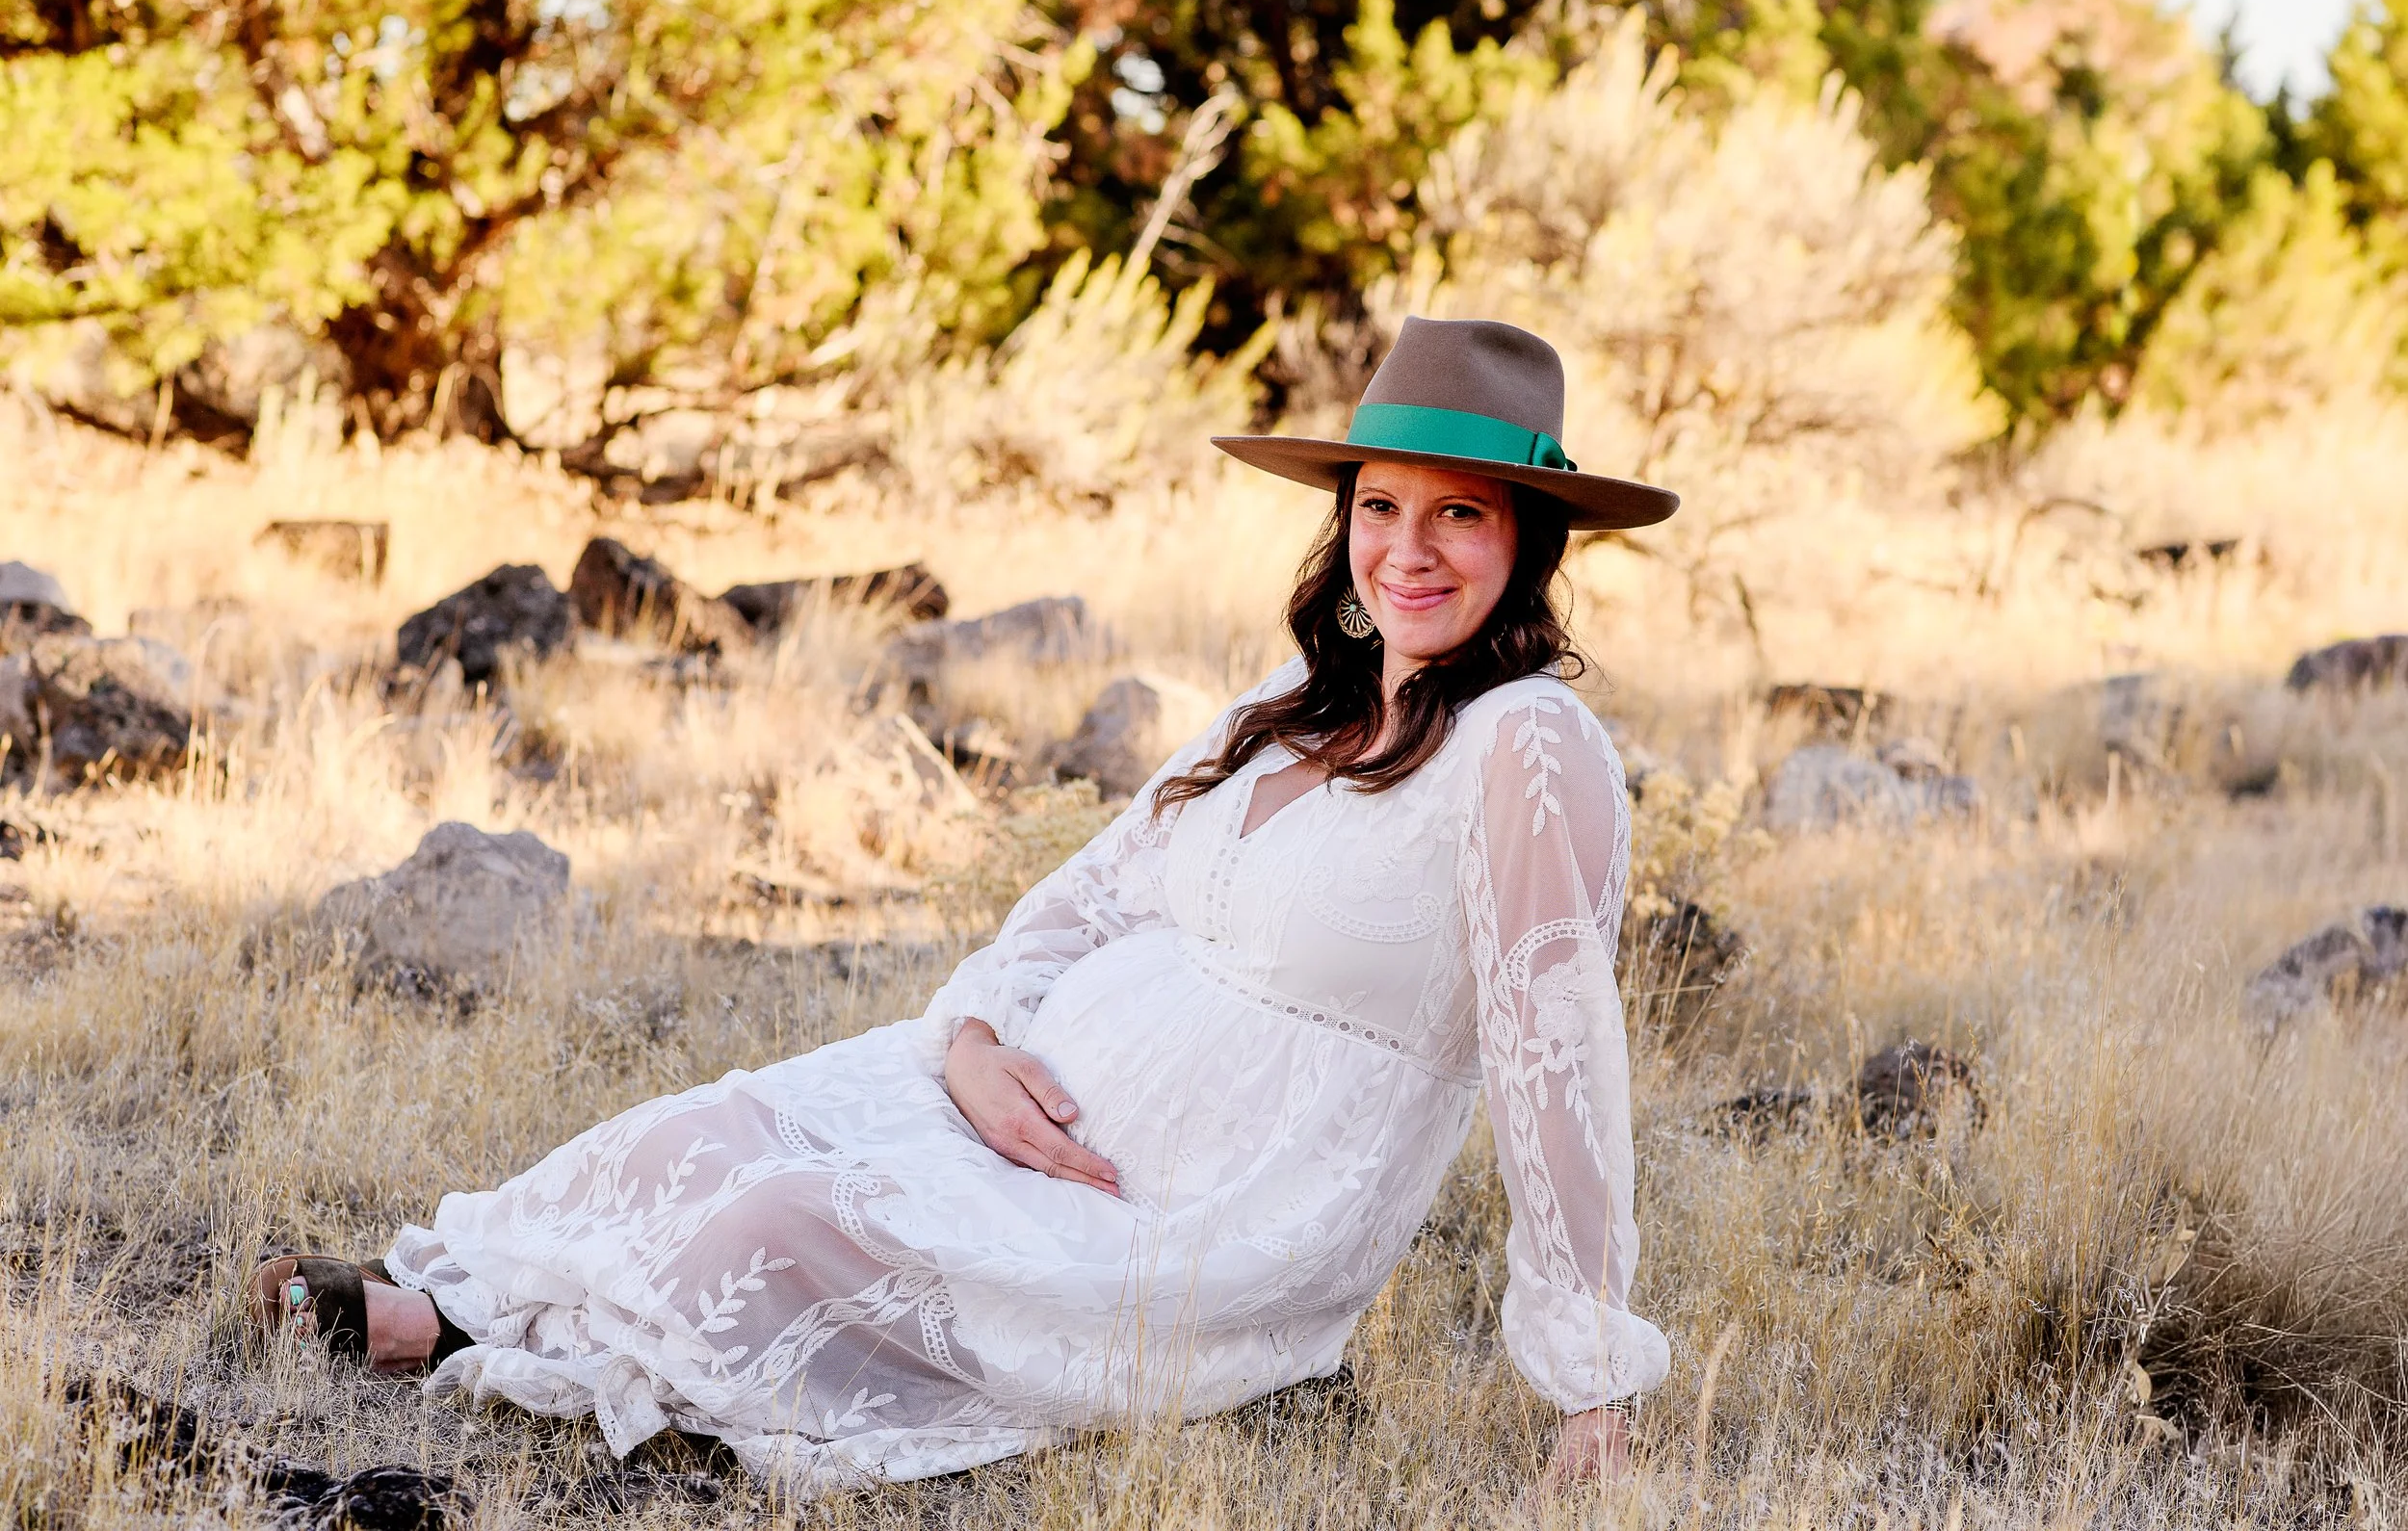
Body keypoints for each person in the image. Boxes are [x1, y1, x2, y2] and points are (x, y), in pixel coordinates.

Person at [250, 316, 1680, 1494]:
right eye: (1380, 507)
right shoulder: (1294, 700)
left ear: (1531, 539)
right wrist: (977, 1040)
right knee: (700, 1133)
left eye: (1459, 514)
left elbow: (1557, 1059)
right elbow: (1090, 890)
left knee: (778, 1223)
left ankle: (478, 1352)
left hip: (1200, 1212)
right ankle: (460, 1305)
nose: (1408, 550)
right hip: (1027, 1101)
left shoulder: (1526, 743)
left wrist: (1591, 1385)